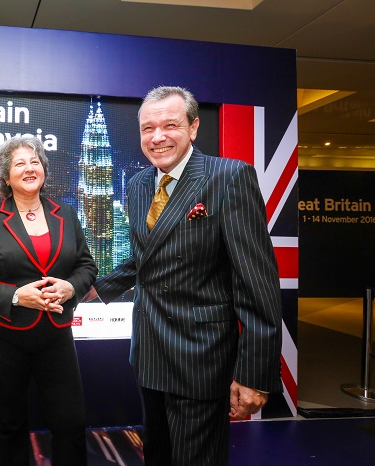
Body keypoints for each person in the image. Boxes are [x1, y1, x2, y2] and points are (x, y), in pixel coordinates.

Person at [87, 86, 282, 466]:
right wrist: (91, 288)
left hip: (201, 355)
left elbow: (256, 284)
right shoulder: (139, 184)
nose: (157, 137)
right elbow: (144, 259)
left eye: (169, 125)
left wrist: (254, 375)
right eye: (148, 128)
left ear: (193, 127)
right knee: (158, 455)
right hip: (149, 352)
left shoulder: (228, 177)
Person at [0, 135, 97, 465]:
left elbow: (87, 266)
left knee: (71, 423)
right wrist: (17, 296)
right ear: (6, 176)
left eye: (35, 161)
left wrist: (70, 288)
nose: (29, 168)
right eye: (19, 163)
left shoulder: (65, 213)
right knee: (11, 424)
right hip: (5, 337)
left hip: (56, 335)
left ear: (44, 170)